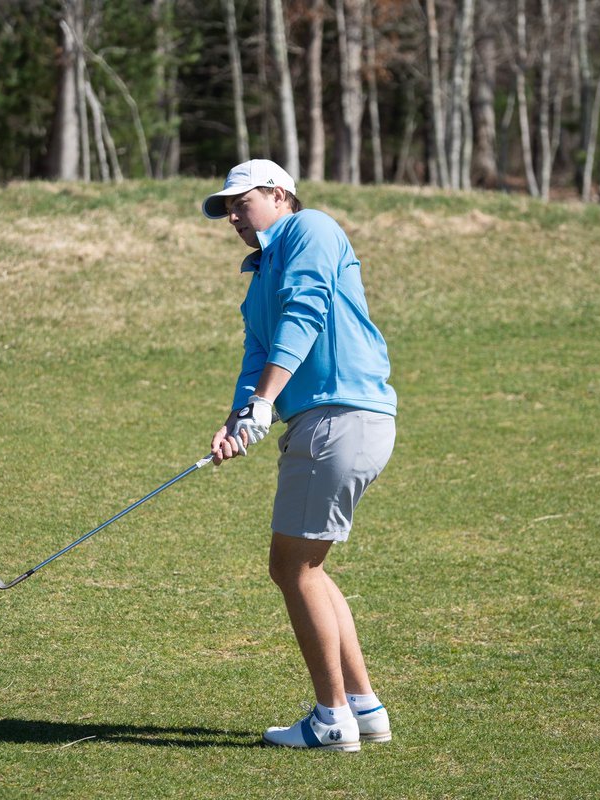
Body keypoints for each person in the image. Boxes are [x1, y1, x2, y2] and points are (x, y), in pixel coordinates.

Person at [202, 159, 398, 752]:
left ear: (280, 194)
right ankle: (364, 708)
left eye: (242, 201)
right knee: (309, 566)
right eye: (227, 208)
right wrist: (240, 417)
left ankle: (331, 718)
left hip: (339, 418)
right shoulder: (260, 277)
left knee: (293, 568)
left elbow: (305, 313)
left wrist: (265, 402)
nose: (234, 215)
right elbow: (259, 349)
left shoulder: (310, 228)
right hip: (333, 422)